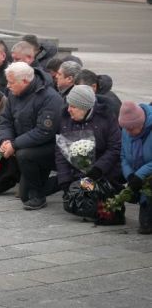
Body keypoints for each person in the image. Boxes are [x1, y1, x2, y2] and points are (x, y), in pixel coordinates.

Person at [0, 62, 64, 210]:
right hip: (26, 143)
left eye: (11, 82)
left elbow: (44, 131)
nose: (7, 86)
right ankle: (38, 189)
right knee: (24, 196)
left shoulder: (49, 97)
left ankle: (43, 192)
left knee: (23, 155)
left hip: (51, 146)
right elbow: (5, 120)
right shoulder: (13, 93)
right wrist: (5, 140)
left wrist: (14, 145)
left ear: (25, 81)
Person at [55, 86, 123, 217]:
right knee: (77, 200)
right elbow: (60, 151)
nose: (68, 109)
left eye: (73, 107)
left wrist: (98, 169)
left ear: (85, 108)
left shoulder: (106, 118)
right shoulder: (65, 118)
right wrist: (64, 180)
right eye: (68, 105)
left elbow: (115, 147)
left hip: (103, 170)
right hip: (78, 170)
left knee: (99, 204)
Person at [119, 102, 152, 234]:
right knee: (145, 226)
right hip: (139, 175)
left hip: (148, 175)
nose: (129, 132)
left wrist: (140, 174)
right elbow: (123, 156)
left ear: (142, 123)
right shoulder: (126, 130)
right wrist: (130, 175)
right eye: (126, 129)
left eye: (132, 129)